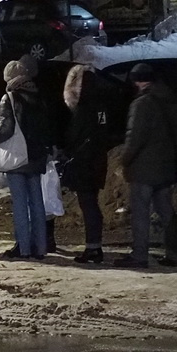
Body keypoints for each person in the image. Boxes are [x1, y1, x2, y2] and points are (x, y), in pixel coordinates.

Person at [114, 63, 177, 269]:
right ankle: (174, 253)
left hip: (144, 167)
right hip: (165, 165)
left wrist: (124, 160)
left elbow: (134, 137)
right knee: (166, 210)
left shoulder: (141, 104)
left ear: (137, 81)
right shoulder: (167, 99)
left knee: (141, 211)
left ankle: (140, 255)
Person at [60, 63, 119, 264]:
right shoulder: (101, 106)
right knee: (92, 205)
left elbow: (73, 137)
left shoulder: (84, 109)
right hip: (97, 162)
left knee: (89, 206)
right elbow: (104, 135)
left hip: (84, 164)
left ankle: (93, 247)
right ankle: (95, 246)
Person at [0, 55, 52, 259]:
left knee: (19, 202)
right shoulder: (38, 95)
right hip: (36, 155)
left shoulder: (10, 98)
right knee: (37, 201)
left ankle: (24, 247)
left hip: (18, 157)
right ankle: (41, 247)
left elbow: (5, 128)